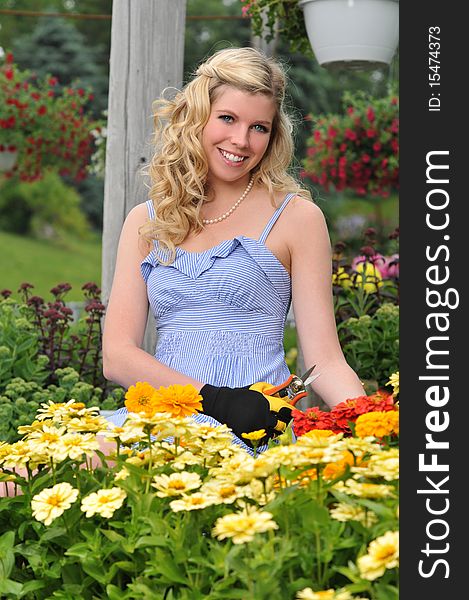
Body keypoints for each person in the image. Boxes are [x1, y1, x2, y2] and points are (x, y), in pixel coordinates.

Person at [102, 47, 365, 454]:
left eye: (259, 127)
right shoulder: (147, 220)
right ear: (198, 117)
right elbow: (117, 355)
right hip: (158, 422)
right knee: (19, 479)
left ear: (274, 134)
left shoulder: (297, 218)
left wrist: (372, 427)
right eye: (227, 118)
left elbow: (326, 362)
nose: (241, 141)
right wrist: (218, 401)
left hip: (252, 428)